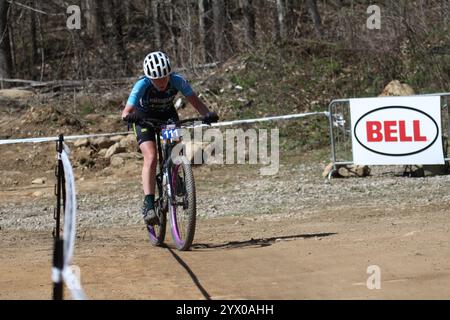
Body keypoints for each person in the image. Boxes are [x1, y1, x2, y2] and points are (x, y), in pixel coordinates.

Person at [122, 51, 219, 225]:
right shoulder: (141, 84)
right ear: (149, 78)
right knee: (151, 157)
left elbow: (195, 101)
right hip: (144, 119)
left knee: (175, 149)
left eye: (164, 78)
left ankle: (175, 176)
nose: (161, 82)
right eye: (157, 79)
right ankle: (149, 204)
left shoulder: (177, 80)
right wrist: (130, 116)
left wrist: (207, 115)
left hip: (167, 116)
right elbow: (126, 112)